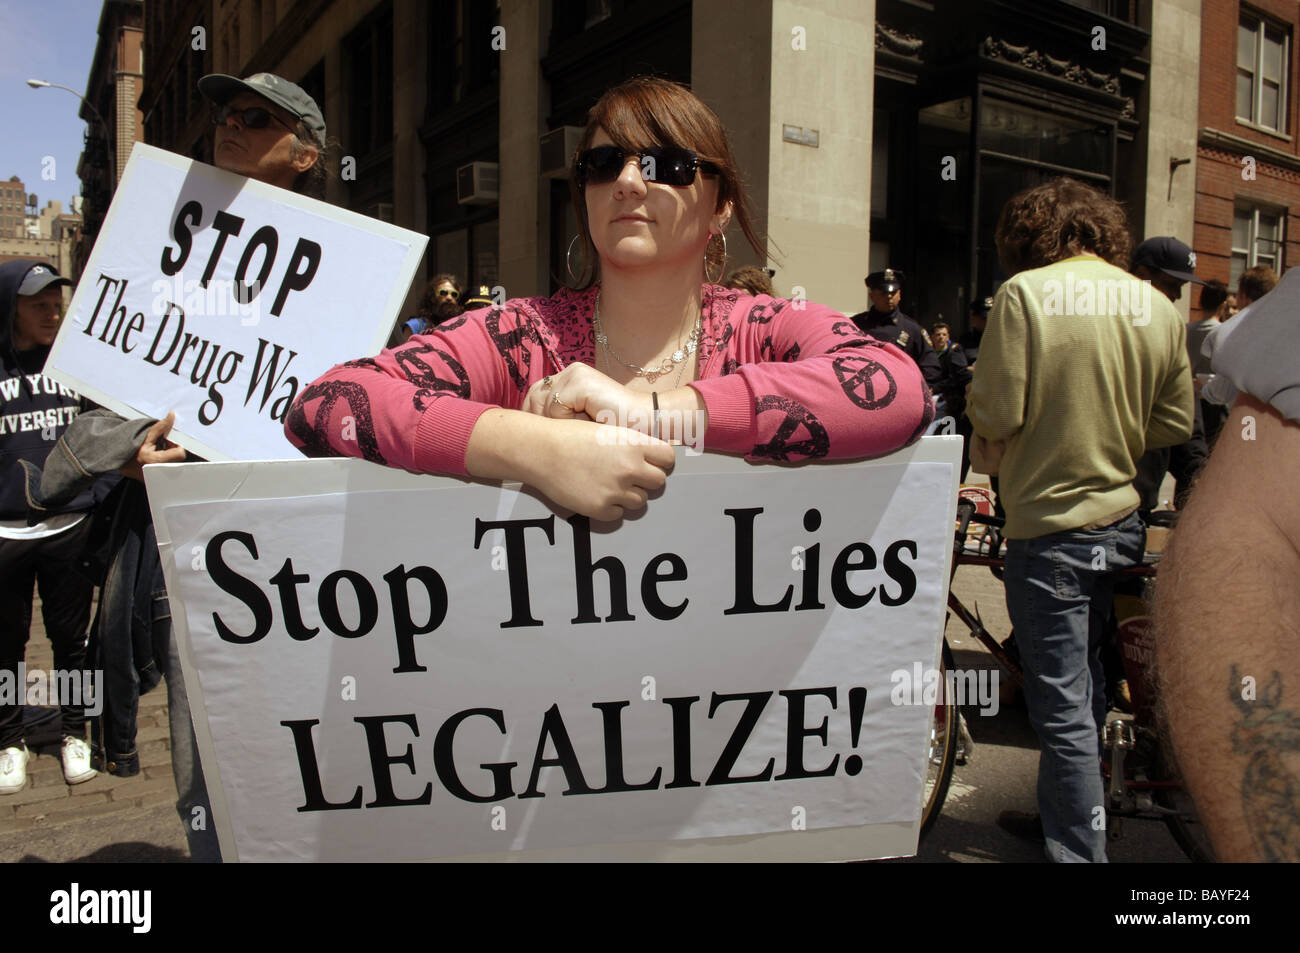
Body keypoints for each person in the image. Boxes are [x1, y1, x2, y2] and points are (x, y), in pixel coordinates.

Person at [286, 76, 932, 519]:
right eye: (603, 164)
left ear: (721, 206)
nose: (628, 182)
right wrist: (532, 447)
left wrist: (649, 413)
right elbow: (325, 404)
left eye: (665, 165)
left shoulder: (766, 325)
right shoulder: (517, 334)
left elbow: (897, 391)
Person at [22, 71, 328, 859]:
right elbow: (87, 427)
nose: (230, 125)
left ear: (306, 152)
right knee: (207, 761)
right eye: (224, 113)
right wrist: (129, 456)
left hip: (309, 556)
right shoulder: (162, 258)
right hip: (195, 558)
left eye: (256, 118)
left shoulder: (347, 272)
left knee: (314, 749)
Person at [966, 177, 1193, 863]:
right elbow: (1176, 420)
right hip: (1121, 518)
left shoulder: (1024, 296)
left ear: (1028, 236)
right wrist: (1113, 435)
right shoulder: (1154, 305)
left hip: (1051, 524)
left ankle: (1077, 851)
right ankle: (1071, 813)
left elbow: (998, 412)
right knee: (1087, 692)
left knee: (1061, 708)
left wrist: (991, 443)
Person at [1154, 264, 1300, 861]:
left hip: (1065, 516)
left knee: (1065, 695)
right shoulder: (1171, 323)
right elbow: (1245, 541)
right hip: (1123, 504)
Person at [0, 262, 111, 794]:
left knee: (72, 641)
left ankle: (74, 732)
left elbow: (107, 433)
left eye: (54, 303)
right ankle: (8, 740)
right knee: (6, 645)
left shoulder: (75, 366)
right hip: (6, 535)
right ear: (11, 309)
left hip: (69, 527)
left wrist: (97, 496)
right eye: (37, 305)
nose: (51, 313)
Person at [1130, 237, 1209, 512]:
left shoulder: (1168, 333)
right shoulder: (1099, 326)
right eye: (1172, 285)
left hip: (1136, 503)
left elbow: (1186, 422)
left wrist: (1198, 476)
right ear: (1142, 277)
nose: (1177, 297)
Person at [849, 269, 942, 389]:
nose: (889, 297)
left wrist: (915, 390)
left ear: (900, 295)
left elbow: (931, 367)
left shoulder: (912, 329)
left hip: (899, 392)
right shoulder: (855, 325)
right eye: (883, 293)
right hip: (860, 390)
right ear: (871, 296)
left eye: (893, 293)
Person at [962, 296, 991, 367]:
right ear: (973, 318)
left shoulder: (1001, 340)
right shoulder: (965, 340)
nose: (989, 321)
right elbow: (961, 369)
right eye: (984, 318)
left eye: (992, 318)